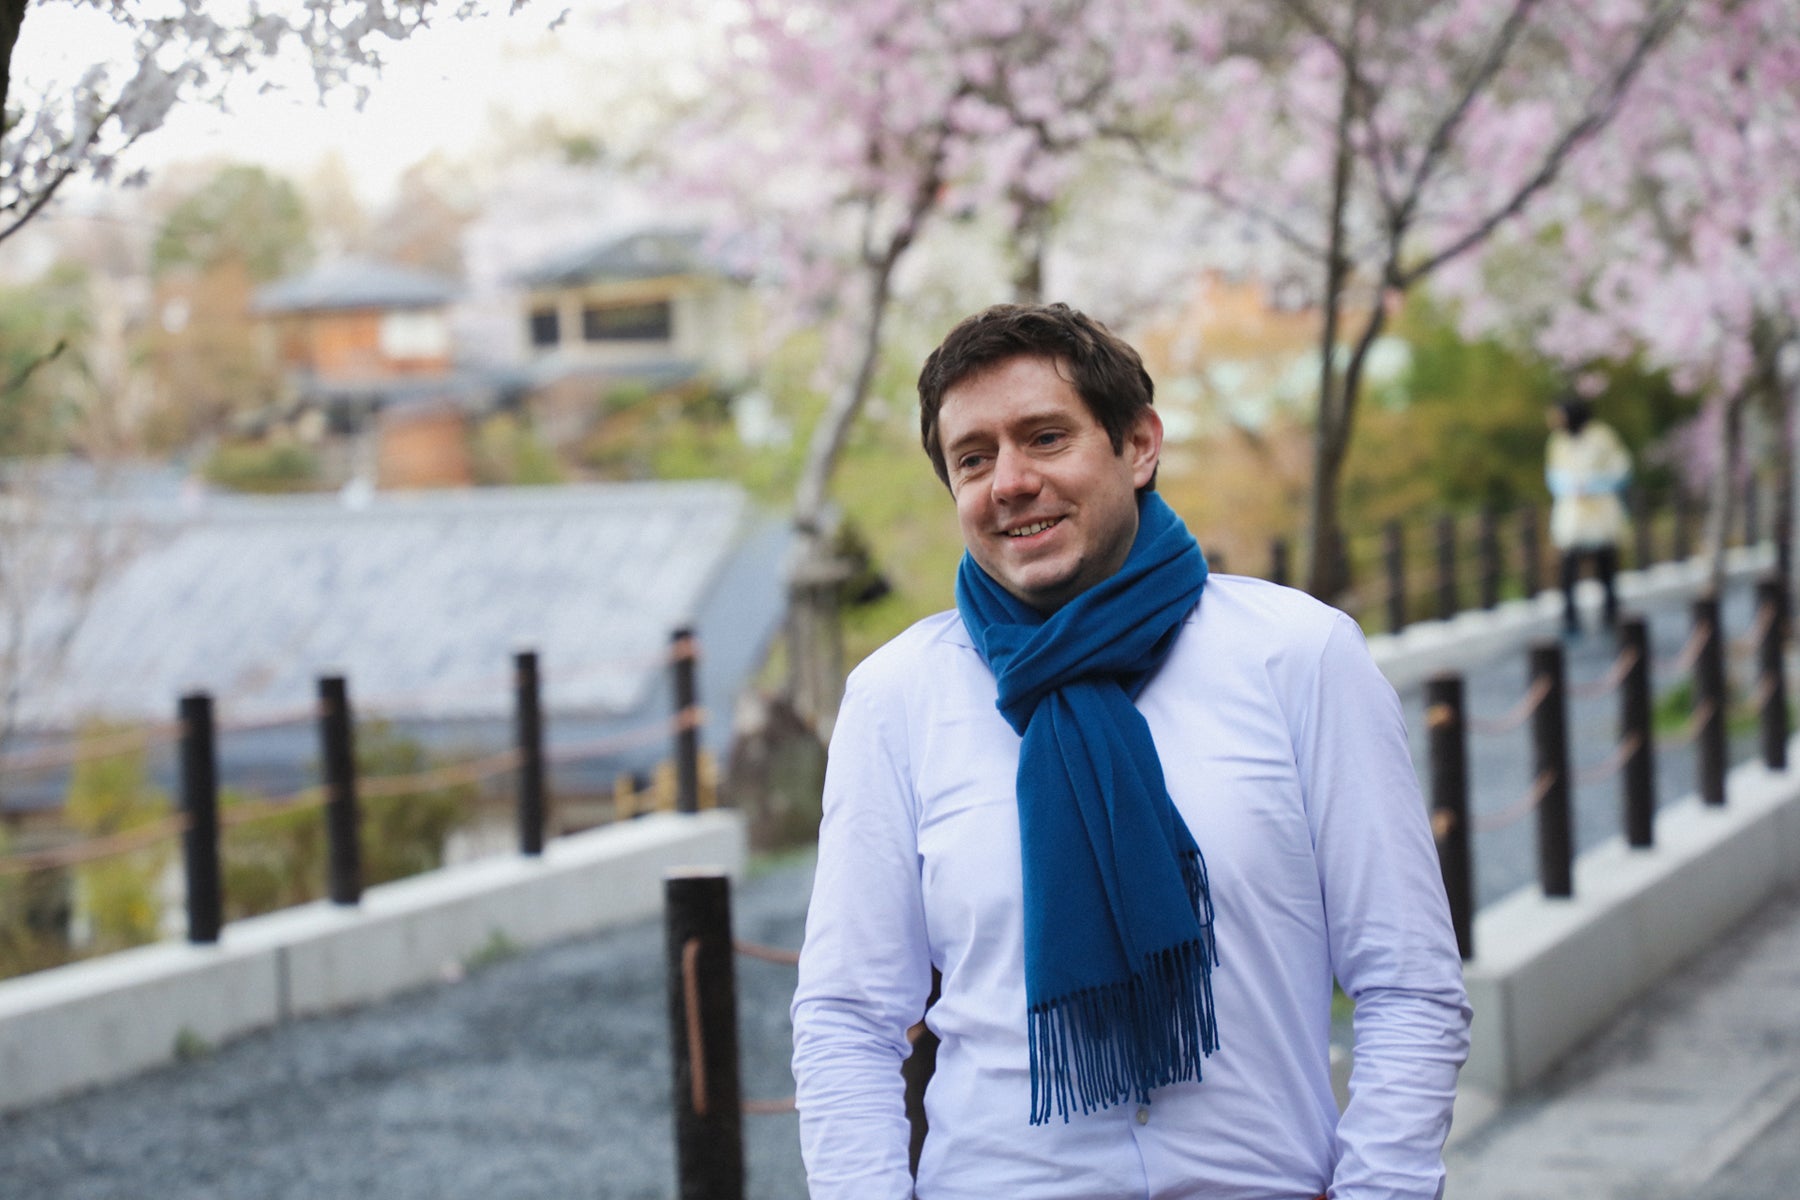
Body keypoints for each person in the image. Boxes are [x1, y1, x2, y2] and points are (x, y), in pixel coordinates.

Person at [791, 302, 1470, 1199]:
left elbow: (1409, 984)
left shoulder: (1298, 657)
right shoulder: (900, 697)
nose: (1010, 481)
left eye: (1045, 437)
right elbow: (848, 1017)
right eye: (974, 458)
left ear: (1139, 445)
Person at [1546, 395, 1631, 636]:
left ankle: (1611, 614)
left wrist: (1594, 485)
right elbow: (1553, 475)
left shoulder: (1602, 436)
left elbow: (1621, 470)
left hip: (1601, 512)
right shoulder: (1558, 441)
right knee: (1568, 568)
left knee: (1606, 566)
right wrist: (1569, 487)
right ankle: (1570, 619)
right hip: (1573, 513)